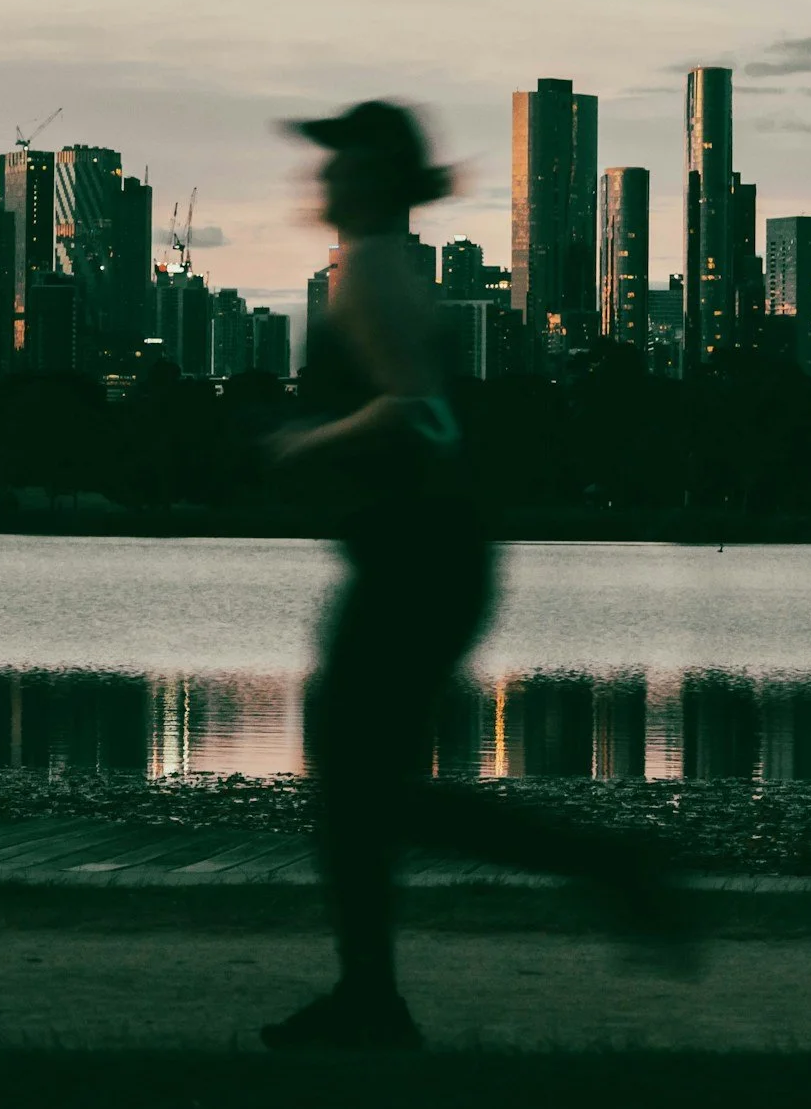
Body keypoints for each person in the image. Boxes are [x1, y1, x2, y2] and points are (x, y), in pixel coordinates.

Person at [262, 100, 689, 1052]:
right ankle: (378, 993)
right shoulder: (372, 268)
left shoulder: (370, 272)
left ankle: (603, 869)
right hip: (425, 557)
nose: (322, 176)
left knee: (359, 785)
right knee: (367, 788)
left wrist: (304, 442)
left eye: (340, 161)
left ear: (373, 179)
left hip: (419, 559)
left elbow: (421, 414)